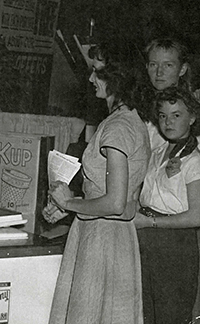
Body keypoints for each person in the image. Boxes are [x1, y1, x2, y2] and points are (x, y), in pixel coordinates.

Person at [43, 42, 151, 323]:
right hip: (115, 236)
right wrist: (69, 206)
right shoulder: (130, 121)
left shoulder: (117, 128)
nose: (91, 79)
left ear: (120, 77)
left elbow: (114, 202)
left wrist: (68, 201)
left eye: (98, 72)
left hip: (101, 238)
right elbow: (122, 199)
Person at [133, 87, 200, 324]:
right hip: (147, 239)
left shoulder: (194, 161)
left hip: (175, 246)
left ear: (192, 118)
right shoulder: (157, 151)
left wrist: (150, 221)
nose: (168, 122)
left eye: (176, 115)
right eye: (163, 115)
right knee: (145, 313)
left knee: (170, 315)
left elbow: (196, 217)